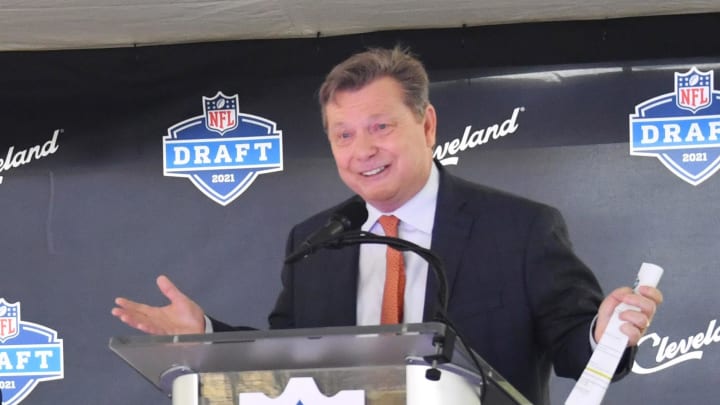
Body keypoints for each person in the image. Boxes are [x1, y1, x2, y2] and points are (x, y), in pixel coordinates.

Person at [113, 46, 663, 404]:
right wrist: (205, 334)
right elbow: (282, 362)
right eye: (343, 135)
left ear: (426, 125)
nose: (362, 150)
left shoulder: (521, 228)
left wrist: (604, 330)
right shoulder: (315, 242)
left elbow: (578, 354)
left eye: (380, 126)